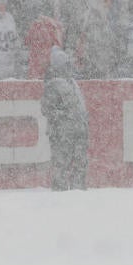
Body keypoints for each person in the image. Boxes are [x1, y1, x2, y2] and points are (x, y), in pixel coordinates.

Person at [40, 49, 88, 191]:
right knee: (61, 164)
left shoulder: (72, 82)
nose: (69, 67)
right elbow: (46, 110)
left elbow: (79, 105)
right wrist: (65, 116)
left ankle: (79, 191)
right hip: (62, 133)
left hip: (78, 130)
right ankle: (59, 194)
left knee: (81, 163)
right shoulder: (52, 84)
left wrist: (82, 120)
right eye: (66, 64)